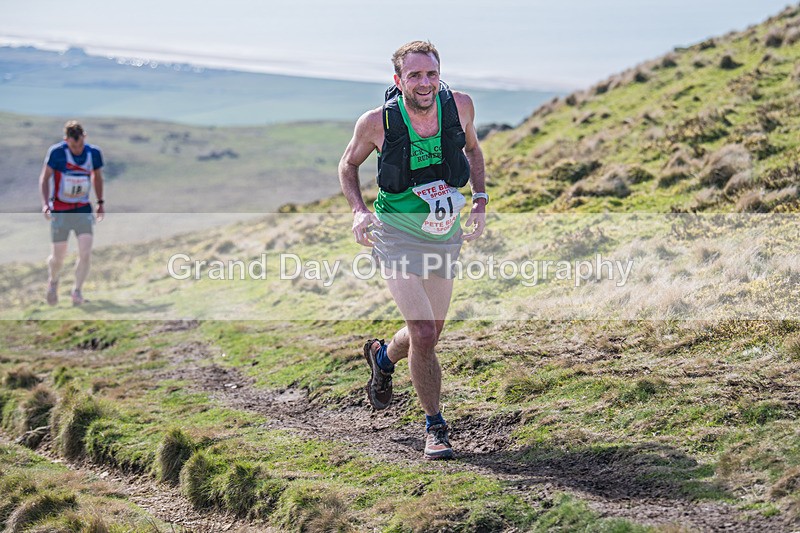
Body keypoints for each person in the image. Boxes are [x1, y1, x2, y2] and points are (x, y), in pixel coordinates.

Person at [338, 41, 487, 460]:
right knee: (423, 333)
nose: (425, 83)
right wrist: (358, 211)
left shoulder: (459, 106)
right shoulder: (376, 122)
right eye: (415, 75)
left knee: (431, 333)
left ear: (440, 74)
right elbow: (348, 165)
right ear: (398, 80)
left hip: (443, 232)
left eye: (431, 74)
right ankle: (435, 427)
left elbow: (473, 151)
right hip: (395, 232)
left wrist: (479, 200)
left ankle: (383, 358)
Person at [39, 120, 105, 306]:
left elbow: (97, 177)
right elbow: (44, 179)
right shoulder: (57, 153)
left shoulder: (94, 154)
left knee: (85, 252)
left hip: (82, 209)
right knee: (58, 257)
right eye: (73, 145)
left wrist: (100, 202)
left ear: (85, 138)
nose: (77, 149)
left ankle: (77, 291)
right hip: (60, 210)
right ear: (66, 140)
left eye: (80, 144)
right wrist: (45, 204)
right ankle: (53, 281)